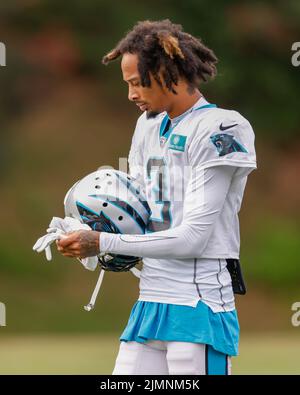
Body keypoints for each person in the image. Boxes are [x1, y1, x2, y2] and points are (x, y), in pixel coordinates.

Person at [56, 19, 257, 375]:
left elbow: (194, 238)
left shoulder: (222, 127)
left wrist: (102, 241)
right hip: (151, 298)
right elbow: (140, 208)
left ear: (166, 72)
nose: (131, 94)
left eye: (136, 83)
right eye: (127, 84)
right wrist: (97, 224)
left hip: (199, 303)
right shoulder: (148, 124)